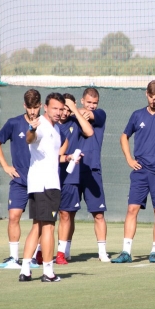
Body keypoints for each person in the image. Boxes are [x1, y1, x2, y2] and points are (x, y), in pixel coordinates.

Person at [112, 80, 155, 263]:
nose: (153, 100)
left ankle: (154, 251)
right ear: (146, 94)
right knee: (132, 208)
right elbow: (124, 137)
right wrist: (129, 159)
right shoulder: (137, 115)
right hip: (140, 171)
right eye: (150, 96)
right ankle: (126, 252)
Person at [18, 93, 80, 282]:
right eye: (54, 108)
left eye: (61, 109)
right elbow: (30, 138)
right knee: (48, 228)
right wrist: (31, 128)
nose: (58, 112)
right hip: (46, 185)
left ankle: (25, 270)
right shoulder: (42, 126)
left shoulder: (57, 130)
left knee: (37, 226)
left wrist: (68, 158)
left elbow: (52, 157)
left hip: (40, 183)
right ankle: (48, 272)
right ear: (46, 107)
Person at [0, 89, 42, 269]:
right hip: (20, 180)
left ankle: (34, 257)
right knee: (14, 216)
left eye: (35, 107)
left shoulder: (46, 124)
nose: (33, 111)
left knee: (40, 220)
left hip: (40, 181)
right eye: (29, 108)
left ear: (40, 106)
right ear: (24, 106)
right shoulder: (14, 123)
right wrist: (5, 166)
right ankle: (13, 258)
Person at [55, 93, 94, 265]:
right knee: (45, 217)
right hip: (49, 176)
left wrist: (75, 110)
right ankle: (39, 252)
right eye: (61, 108)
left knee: (66, 215)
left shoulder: (75, 122)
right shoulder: (50, 124)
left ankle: (61, 253)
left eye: (66, 109)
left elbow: (89, 131)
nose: (64, 113)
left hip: (70, 177)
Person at [77, 88, 110, 262]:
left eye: (94, 103)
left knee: (98, 214)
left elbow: (89, 116)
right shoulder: (71, 116)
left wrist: (76, 110)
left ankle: (102, 251)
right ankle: (63, 251)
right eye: (88, 102)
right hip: (72, 170)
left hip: (93, 170)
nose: (91, 106)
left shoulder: (100, 115)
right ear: (82, 100)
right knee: (67, 213)